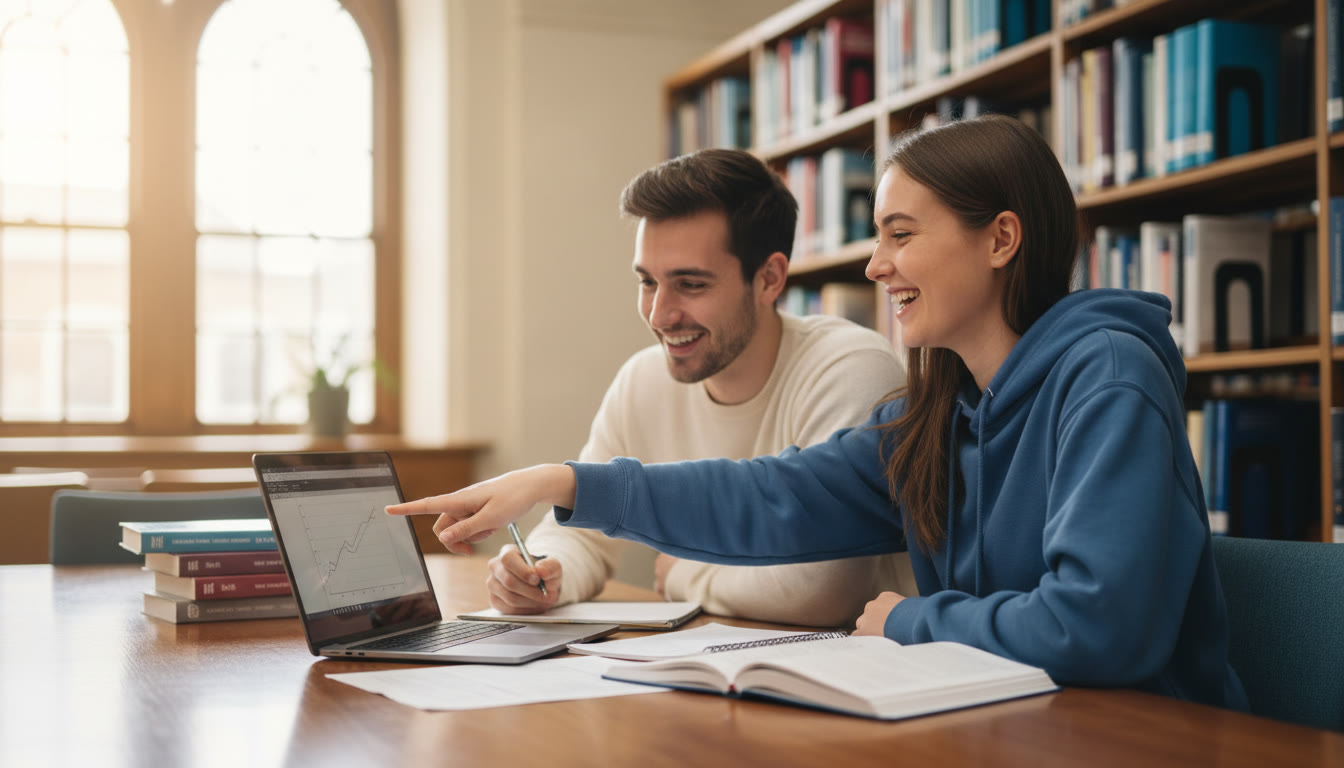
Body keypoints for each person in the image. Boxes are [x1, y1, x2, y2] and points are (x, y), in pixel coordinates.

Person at [390, 116, 1247, 709]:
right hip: (1016, 725)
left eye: (901, 235)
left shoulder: (1107, 376)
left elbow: (1100, 627)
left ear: (1000, 240)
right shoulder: (946, 410)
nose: (876, 265)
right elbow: (772, 496)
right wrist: (567, 481)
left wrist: (912, 619)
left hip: (1148, 737)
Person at [482, 148, 914, 627]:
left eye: (690, 284)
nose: (659, 314)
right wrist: (542, 571)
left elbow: (819, 589)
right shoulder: (642, 381)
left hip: (861, 678)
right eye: (648, 282)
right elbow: (584, 535)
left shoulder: (851, 368)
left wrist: (686, 573)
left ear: (769, 279)